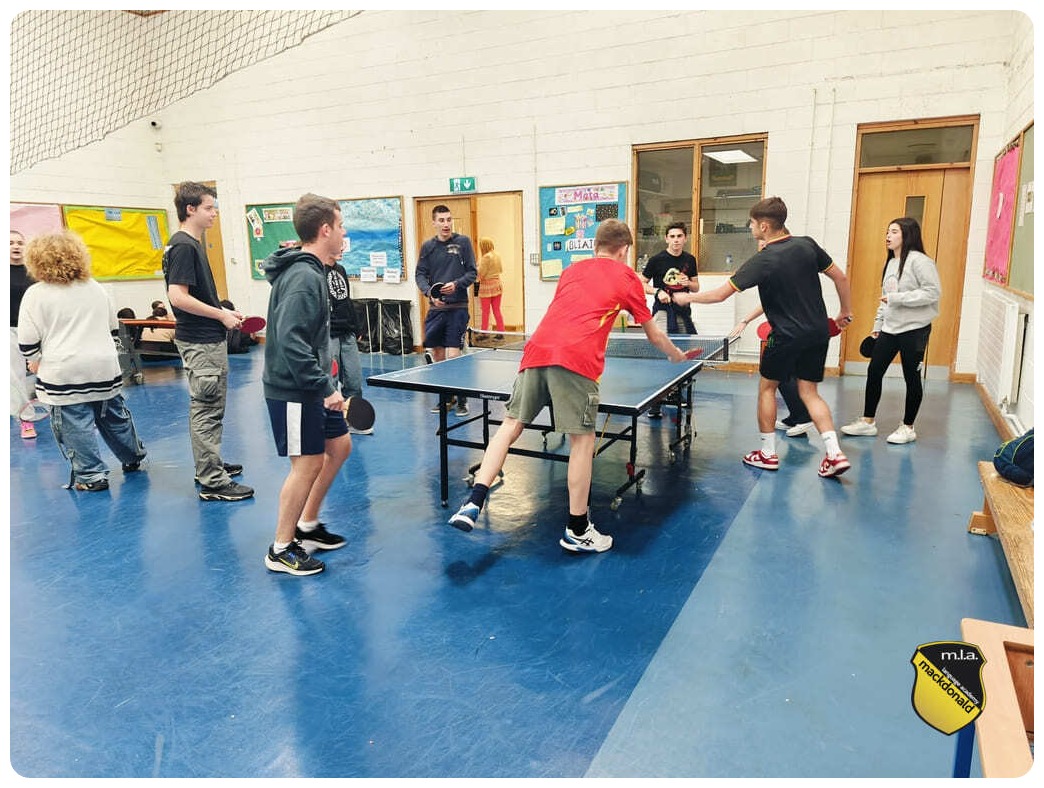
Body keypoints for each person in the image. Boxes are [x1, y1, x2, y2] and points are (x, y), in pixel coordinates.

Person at [448, 219, 694, 553]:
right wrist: (676, 355)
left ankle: (474, 501)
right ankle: (577, 528)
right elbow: (653, 334)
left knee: (509, 427)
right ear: (624, 250)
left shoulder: (571, 271)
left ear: (595, 246)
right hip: (576, 360)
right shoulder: (628, 278)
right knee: (582, 441)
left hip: (535, 352)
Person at [672, 197, 854, 478]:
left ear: (765, 226)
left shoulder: (764, 259)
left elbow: (720, 294)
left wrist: (687, 297)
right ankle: (834, 453)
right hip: (818, 332)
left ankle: (767, 453)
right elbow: (840, 278)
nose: (751, 227)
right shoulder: (808, 245)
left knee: (767, 389)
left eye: (753, 223)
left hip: (783, 336)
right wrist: (845, 311)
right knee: (809, 392)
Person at [261, 193, 351, 576]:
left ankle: (307, 525)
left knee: (340, 446)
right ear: (325, 229)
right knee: (308, 463)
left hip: (312, 383)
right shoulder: (302, 277)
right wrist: (325, 387)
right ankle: (281, 548)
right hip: (294, 389)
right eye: (341, 225)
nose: (344, 233)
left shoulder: (315, 271)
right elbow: (289, 340)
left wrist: (326, 381)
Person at [17, 231, 147, 491]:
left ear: (36, 261)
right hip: (104, 367)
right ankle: (132, 457)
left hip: (63, 372)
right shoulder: (95, 287)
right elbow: (113, 327)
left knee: (75, 424)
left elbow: (28, 340)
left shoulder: (36, 294)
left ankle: (91, 476)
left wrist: (33, 360)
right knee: (114, 416)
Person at [162, 181, 253, 501]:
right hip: (200, 342)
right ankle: (212, 480)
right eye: (209, 208)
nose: (214, 213)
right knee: (207, 408)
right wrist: (220, 316)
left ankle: (210, 463)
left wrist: (224, 311)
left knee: (210, 407)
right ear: (190, 210)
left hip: (205, 339)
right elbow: (177, 297)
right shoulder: (184, 245)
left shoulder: (189, 244)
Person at [840, 217, 941, 444]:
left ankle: (908, 427)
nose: (888, 235)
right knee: (874, 371)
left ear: (908, 234)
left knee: (911, 377)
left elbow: (932, 293)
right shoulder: (891, 263)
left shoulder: (921, 262)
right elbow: (885, 300)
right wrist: (877, 327)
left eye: (894, 231)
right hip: (889, 329)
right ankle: (868, 422)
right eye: (887, 231)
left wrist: (898, 298)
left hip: (914, 330)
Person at [415, 204, 477, 417]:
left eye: (449, 220)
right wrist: (428, 293)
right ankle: (446, 397)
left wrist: (457, 284)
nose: (446, 224)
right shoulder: (428, 247)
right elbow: (420, 275)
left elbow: (472, 273)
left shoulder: (463, 243)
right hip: (436, 310)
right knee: (438, 356)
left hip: (458, 308)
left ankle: (462, 399)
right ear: (434, 223)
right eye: (441, 220)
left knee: (453, 355)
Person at [729, 306, 813, 438]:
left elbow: (764, 303)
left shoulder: (782, 286)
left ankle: (804, 418)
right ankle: (796, 416)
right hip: (789, 330)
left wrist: (745, 321)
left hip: (789, 331)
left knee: (782, 374)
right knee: (782, 375)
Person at [326, 259, 369, 434]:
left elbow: (345, 300)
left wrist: (356, 326)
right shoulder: (314, 271)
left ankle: (352, 420)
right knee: (331, 382)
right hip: (328, 335)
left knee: (354, 379)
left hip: (347, 332)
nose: (343, 246)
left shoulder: (341, 269)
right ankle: (330, 424)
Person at [640, 221, 699, 336]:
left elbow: (696, 287)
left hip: (684, 312)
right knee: (662, 350)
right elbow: (640, 283)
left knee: (684, 351)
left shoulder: (690, 259)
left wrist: (688, 283)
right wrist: (657, 291)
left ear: (685, 238)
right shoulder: (656, 260)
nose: (676, 240)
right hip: (663, 312)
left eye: (679, 236)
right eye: (672, 236)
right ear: (666, 239)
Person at [10, 229, 38, 439]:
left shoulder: (34, 272)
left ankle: (70, 415)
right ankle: (25, 420)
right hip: (9, 330)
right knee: (15, 377)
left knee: (51, 372)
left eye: (20, 242)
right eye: (10, 243)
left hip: (37, 329)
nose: (16, 246)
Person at [476, 237, 506, 335]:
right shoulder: (497, 255)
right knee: (497, 310)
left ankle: (484, 333)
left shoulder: (486, 257)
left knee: (485, 312)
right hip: (497, 284)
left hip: (486, 286)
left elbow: (481, 273)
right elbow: (501, 269)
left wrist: (476, 270)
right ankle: (501, 332)